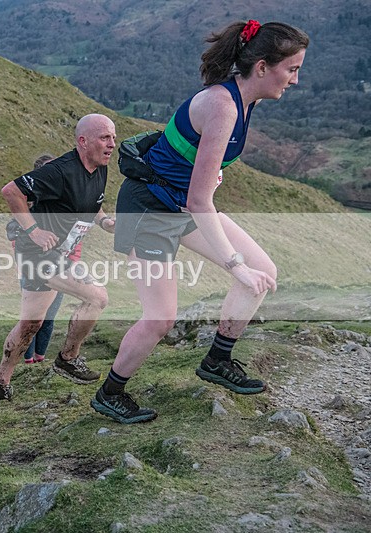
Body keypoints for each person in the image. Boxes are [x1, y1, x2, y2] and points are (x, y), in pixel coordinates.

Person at [90, 20, 308, 423]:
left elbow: (197, 177)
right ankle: (110, 392)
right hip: (150, 209)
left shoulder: (247, 100)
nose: (295, 79)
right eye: (291, 69)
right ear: (262, 66)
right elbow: (200, 201)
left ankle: (217, 360)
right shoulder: (223, 106)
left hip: (181, 204)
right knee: (160, 318)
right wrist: (233, 265)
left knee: (263, 269)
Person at [0, 113, 117, 401]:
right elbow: (11, 191)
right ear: (83, 141)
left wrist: (105, 221)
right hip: (39, 255)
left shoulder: (100, 167)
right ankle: (68, 359)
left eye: (114, 138)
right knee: (97, 298)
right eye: (105, 138)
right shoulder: (59, 171)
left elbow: (92, 203)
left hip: (58, 254)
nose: (112, 144)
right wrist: (33, 231)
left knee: (31, 323)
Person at [21, 155, 83, 365]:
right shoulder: (30, 208)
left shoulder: (67, 205)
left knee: (48, 318)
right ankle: (28, 361)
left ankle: (40, 360)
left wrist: (71, 261)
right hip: (34, 269)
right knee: (32, 320)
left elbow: (76, 237)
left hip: (61, 269)